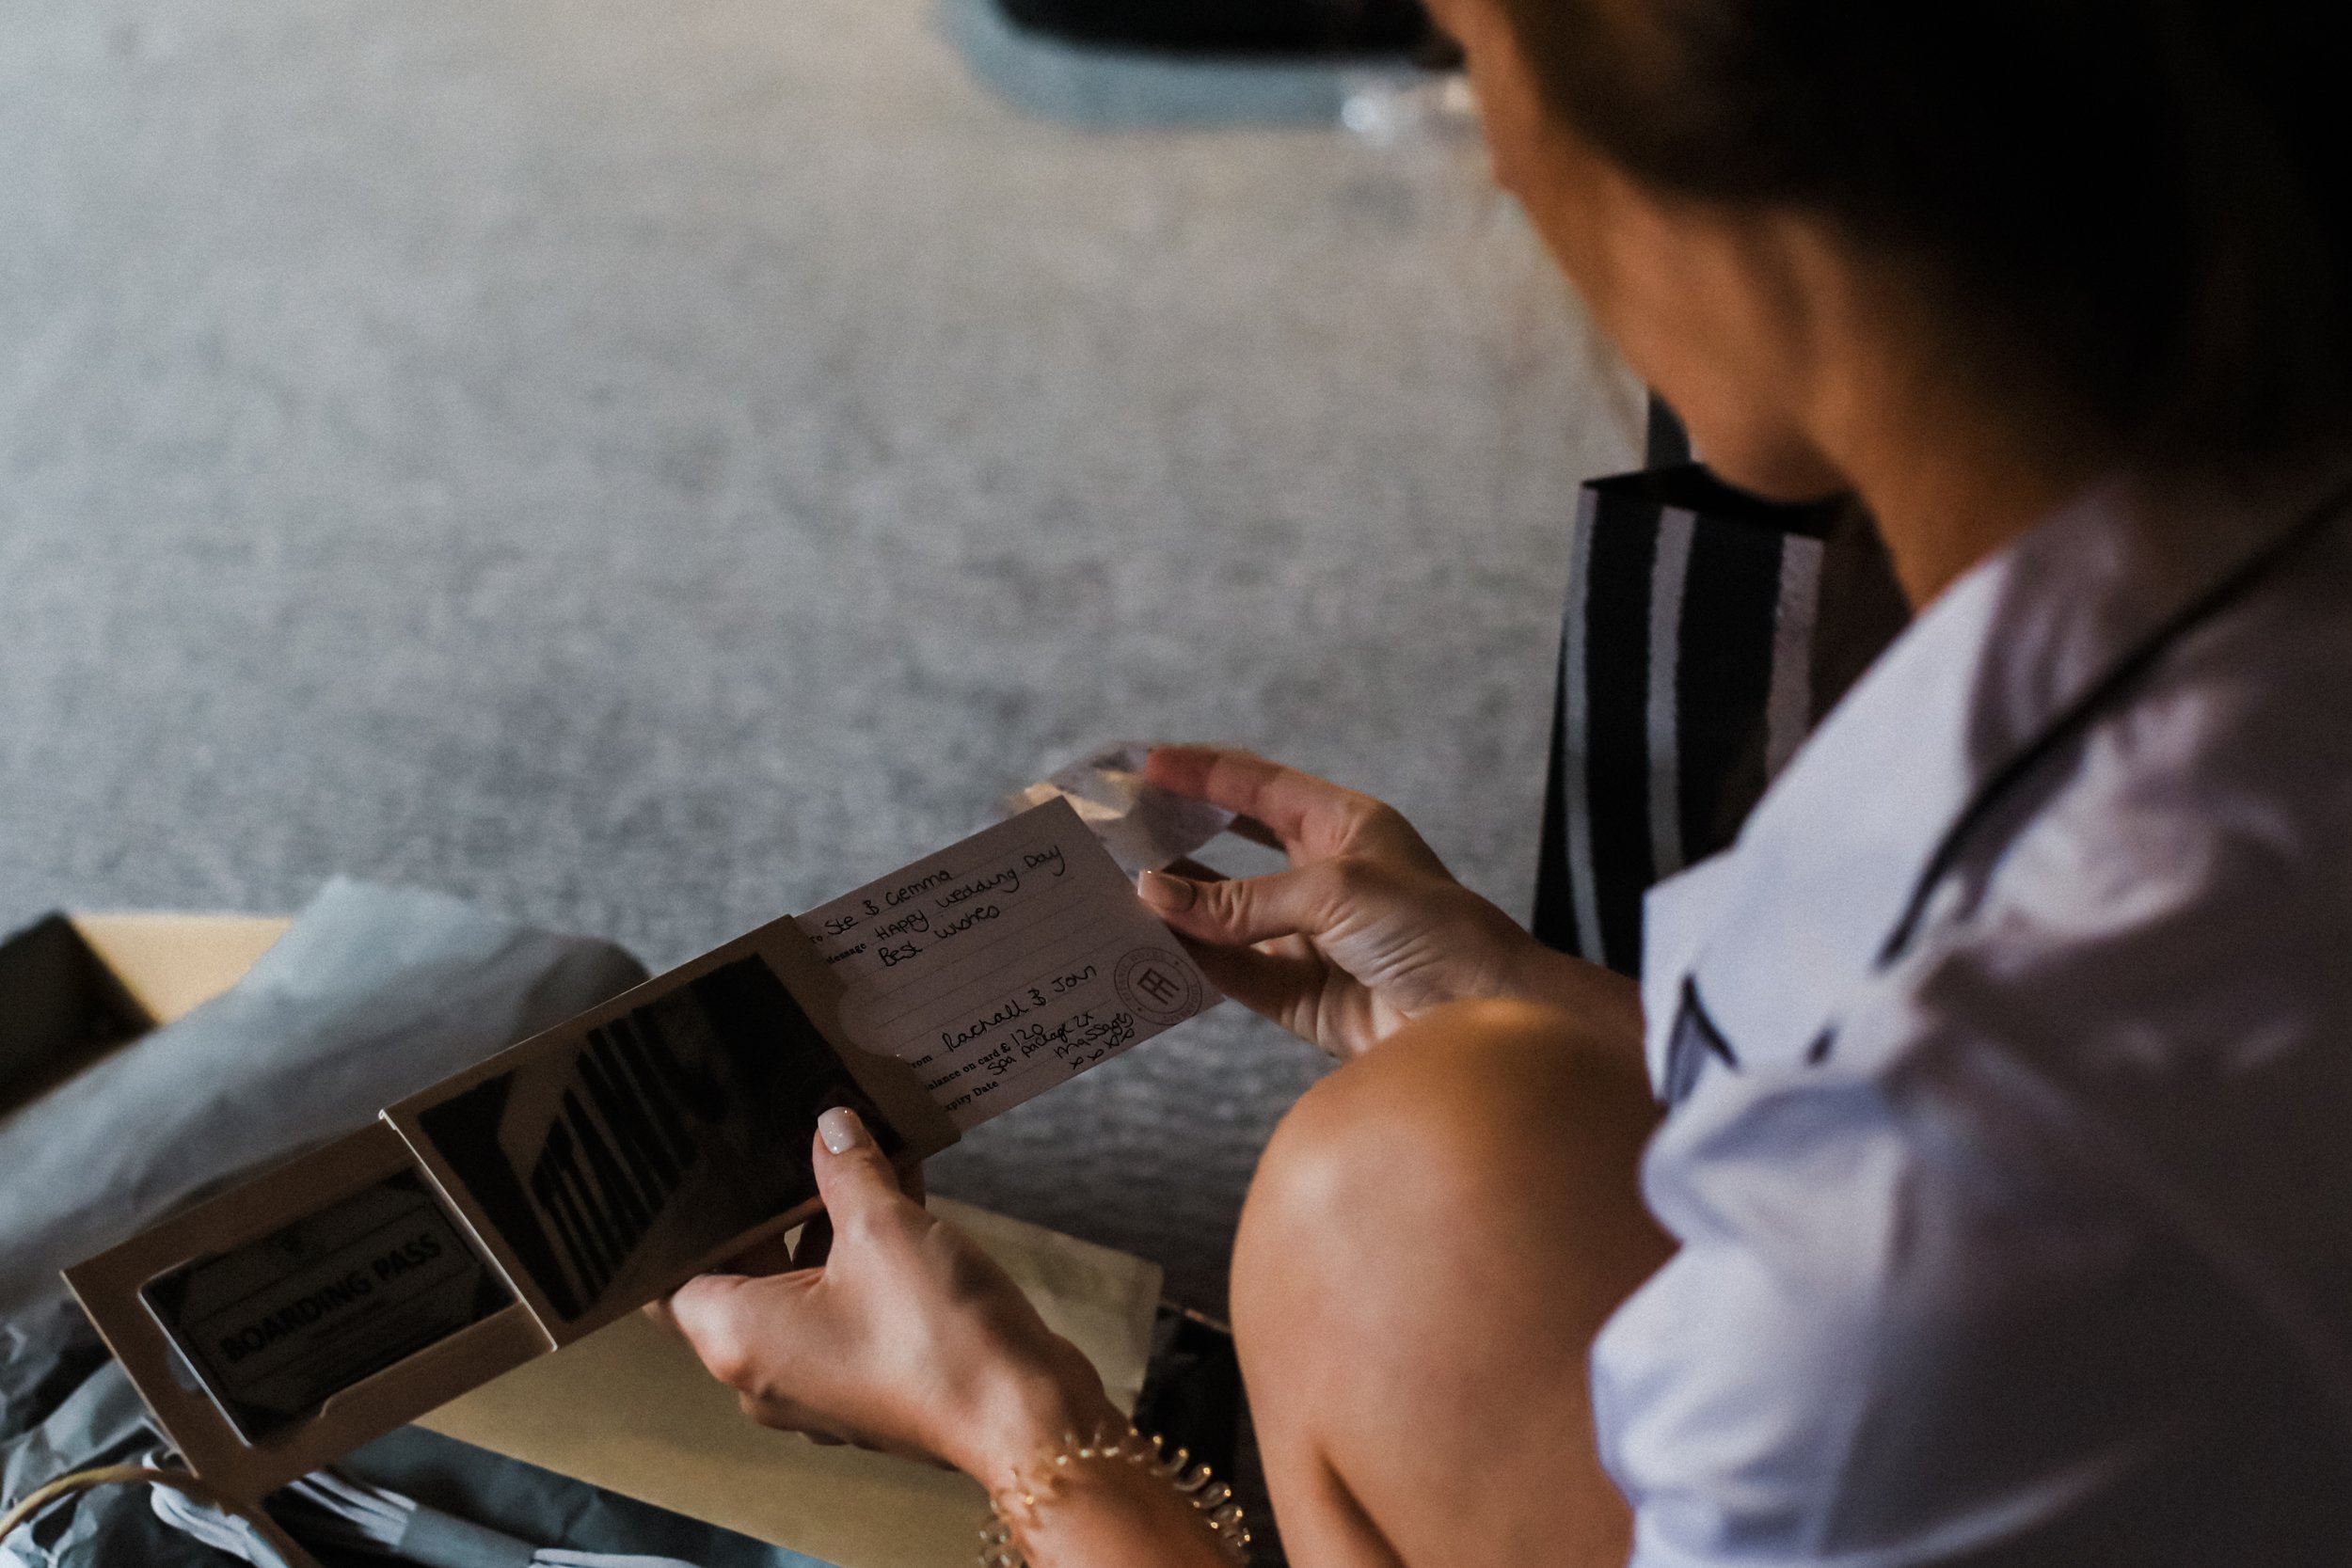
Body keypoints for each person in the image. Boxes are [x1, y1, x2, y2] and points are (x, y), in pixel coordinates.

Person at [654, 1, 2352, 1562]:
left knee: (1392, 1204)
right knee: (1438, 1185)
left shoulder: (1926, 1236)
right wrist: (1553, 1008)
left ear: (1752, 197)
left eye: (1474, 46)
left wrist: (1014, 1430)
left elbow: (1947, 1197)